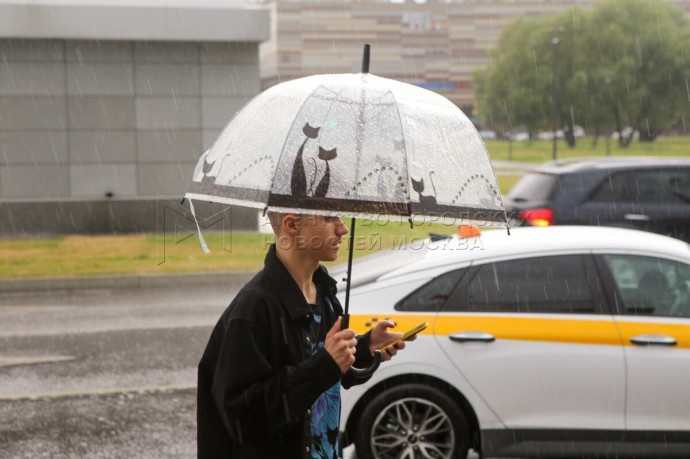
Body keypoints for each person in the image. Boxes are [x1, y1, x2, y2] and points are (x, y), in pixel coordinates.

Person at [197, 213, 410, 458]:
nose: (342, 229)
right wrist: (325, 364)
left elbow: (325, 375)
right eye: (330, 218)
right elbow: (243, 419)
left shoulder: (324, 293)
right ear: (291, 224)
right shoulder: (254, 309)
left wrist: (365, 347)